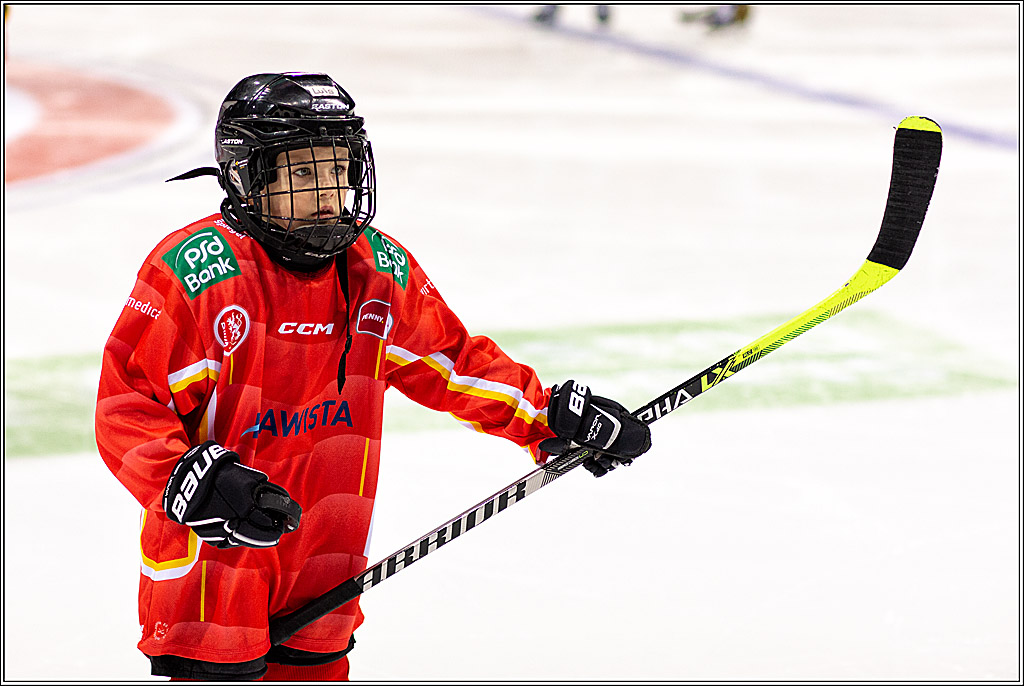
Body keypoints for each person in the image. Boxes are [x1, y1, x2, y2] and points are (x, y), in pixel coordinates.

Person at [95, 72, 652, 681]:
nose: (328, 191)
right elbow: (127, 405)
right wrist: (189, 481)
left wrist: (546, 417)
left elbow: (455, 364)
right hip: (213, 569)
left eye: (338, 168)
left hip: (326, 558)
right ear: (246, 177)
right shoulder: (194, 272)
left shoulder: (376, 268)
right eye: (303, 173)